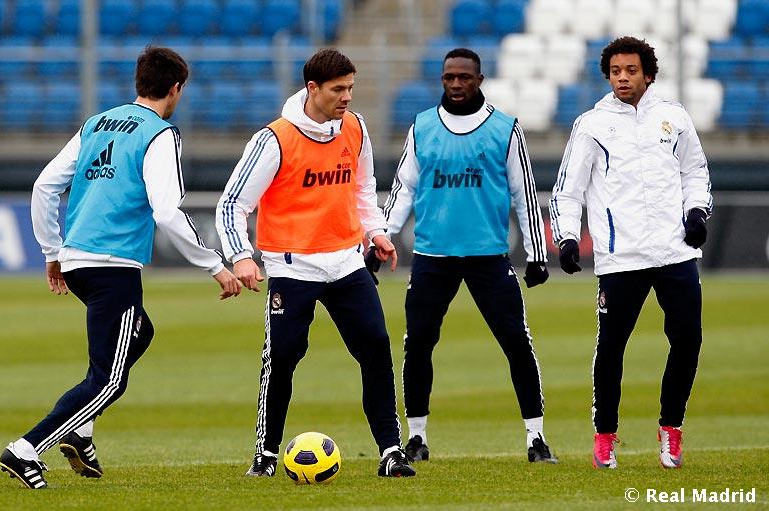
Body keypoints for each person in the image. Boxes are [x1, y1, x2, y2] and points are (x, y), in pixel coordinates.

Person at [0, 46, 240, 489]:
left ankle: (80, 430)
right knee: (108, 381)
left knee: (139, 334)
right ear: (176, 89)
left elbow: (44, 186)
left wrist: (52, 251)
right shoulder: (159, 133)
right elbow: (167, 211)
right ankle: (26, 448)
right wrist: (215, 265)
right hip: (112, 264)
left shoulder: (96, 123)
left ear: (139, 82)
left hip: (77, 260)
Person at [215, 48, 415, 478]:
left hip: (347, 262)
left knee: (376, 348)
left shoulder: (355, 126)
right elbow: (232, 203)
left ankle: (391, 451)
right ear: (312, 88)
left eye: (351, 88)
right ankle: (266, 455)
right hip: (292, 268)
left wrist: (376, 231)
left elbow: (363, 187)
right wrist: (241, 256)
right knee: (283, 357)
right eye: (338, 89)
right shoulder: (274, 139)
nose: (347, 97)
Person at [377, 48, 557, 464]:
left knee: (517, 342)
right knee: (418, 344)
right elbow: (404, 188)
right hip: (432, 255)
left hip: (488, 256)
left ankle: (536, 438)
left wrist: (536, 252)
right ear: (442, 80)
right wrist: (381, 237)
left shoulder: (505, 129)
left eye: (464, 77)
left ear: (480, 79)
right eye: (449, 77)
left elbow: (524, 192)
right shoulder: (422, 126)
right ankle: (416, 438)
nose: (456, 84)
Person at [550, 36, 712, 469]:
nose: (622, 78)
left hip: (676, 253)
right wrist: (567, 237)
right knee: (612, 346)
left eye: (631, 71)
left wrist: (697, 212)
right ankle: (605, 435)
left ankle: (671, 429)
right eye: (615, 71)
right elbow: (568, 190)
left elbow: (695, 171)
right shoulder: (591, 124)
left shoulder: (674, 117)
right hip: (621, 258)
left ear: (649, 75)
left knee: (688, 340)